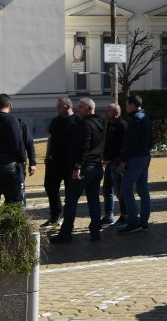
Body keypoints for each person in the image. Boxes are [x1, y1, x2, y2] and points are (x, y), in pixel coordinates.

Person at [50, 98, 106, 243]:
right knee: (93, 199)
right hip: (97, 167)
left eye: (80, 107)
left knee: (71, 201)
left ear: (88, 108)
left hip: (85, 167)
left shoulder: (84, 125)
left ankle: (66, 233)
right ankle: (95, 231)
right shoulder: (100, 123)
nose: (77, 109)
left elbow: (84, 147)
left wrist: (77, 167)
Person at [116, 94, 153, 235]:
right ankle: (144, 222)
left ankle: (133, 221)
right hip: (145, 156)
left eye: (126, 105)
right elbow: (150, 140)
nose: (126, 107)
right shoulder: (146, 118)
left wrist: (123, 161)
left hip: (135, 158)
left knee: (126, 189)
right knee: (143, 189)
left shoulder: (135, 120)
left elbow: (130, 143)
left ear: (132, 105)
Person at [42, 97, 78, 228]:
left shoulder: (77, 121)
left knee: (70, 192)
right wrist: (47, 156)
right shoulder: (55, 121)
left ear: (68, 107)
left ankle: (69, 220)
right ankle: (55, 216)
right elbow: (50, 138)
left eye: (59, 107)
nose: (57, 109)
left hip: (69, 163)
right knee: (50, 187)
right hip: (54, 162)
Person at [101, 103, 128, 226]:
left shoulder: (122, 126)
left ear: (116, 113)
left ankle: (125, 216)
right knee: (107, 189)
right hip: (109, 163)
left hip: (117, 164)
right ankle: (109, 215)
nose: (107, 113)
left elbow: (124, 147)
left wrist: (117, 161)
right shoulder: (110, 124)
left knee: (120, 191)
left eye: (109, 111)